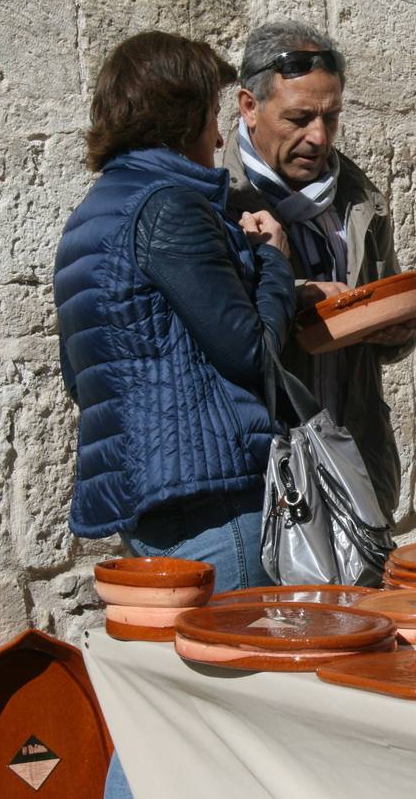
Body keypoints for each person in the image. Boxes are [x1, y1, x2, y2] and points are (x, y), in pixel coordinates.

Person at [54, 31, 293, 588]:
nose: (219, 133)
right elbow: (251, 350)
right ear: (183, 118)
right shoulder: (168, 207)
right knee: (242, 669)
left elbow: (84, 375)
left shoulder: (93, 215)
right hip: (212, 500)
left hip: (154, 497)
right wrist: (274, 262)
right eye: (212, 113)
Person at [222, 21, 416, 517]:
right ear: (249, 106)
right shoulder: (214, 199)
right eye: (300, 118)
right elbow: (216, 331)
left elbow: (377, 329)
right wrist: (299, 297)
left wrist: (394, 328)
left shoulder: (358, 198)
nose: (318, 137)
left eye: (330, 118)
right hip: (262, 476)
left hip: (352, 466)